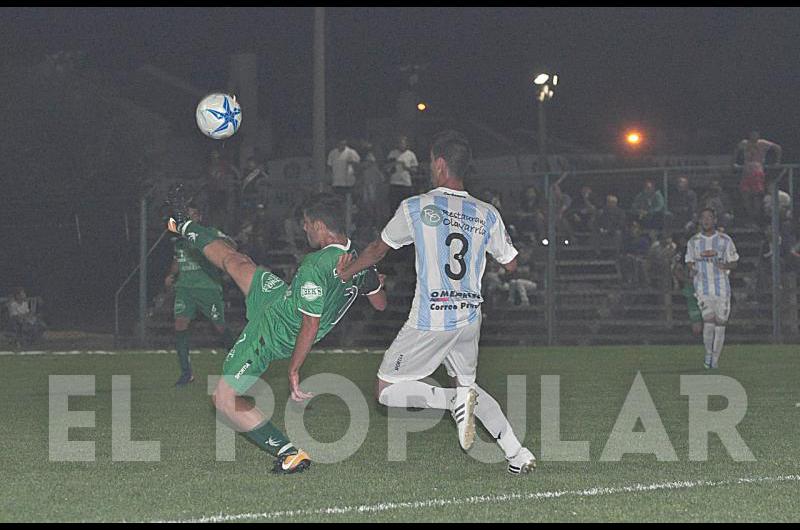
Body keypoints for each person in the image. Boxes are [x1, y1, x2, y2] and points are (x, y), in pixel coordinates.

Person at [336, 129, 536, 476]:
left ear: (440, 164)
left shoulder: (416, 206)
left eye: (430, 162)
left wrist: (345, 274)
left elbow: (378, 249)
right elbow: (512, 263)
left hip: (431, 316)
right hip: (470, 317)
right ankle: (517, 453)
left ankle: (450, 401)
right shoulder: (486, 212)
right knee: (468, 386)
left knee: (386, 390)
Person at [167, 193, 387, 474]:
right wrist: (374, 282)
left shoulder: (314, 264)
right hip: (282, 300)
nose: (304, 229)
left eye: (306, 224)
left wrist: (294, 370)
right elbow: (381, 305)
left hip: (274, 331)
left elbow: (310, 325)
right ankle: (184, 226)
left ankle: (289, 452)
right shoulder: (357, 260)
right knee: (237, 261)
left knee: (223, 398)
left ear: (319, 225)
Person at [165, 204, 238, 388]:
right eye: (186, 214)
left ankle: (240, 363)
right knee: (180, 325)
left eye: (192, 214)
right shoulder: (180, 237)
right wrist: (172, 275)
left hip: (208, 288)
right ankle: (186, 373)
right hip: (185, 288)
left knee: (220, 327)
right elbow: (177, 258)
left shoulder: (208, 232)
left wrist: (219, 242)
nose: (188, 217)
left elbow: (232, 245)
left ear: (199, 216)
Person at [685, 208, 739, 369]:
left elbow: (734, 261)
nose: (706, 220)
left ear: (715, 220)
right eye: (704, 217)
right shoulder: (694, 241)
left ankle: (715, 359)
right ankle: (708, 353)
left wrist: (726, 265)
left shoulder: (725, 240)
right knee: (708, 321)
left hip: (722, 288)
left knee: (721, 324)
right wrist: (692, 269)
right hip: (703, 287)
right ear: (700, 220)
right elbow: (689, 260)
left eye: (709, 217)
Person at [734, 131, 782, 225]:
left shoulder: (762, 143)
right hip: (746, 171)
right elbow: (736, 150)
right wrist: (734, 162)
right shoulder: (744, 143)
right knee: (745, 195)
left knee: (757, 196)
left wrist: (777, 162)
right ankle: (750, 216)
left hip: (757, 171)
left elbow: (778, 148)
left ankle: (756, 218)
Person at [386, 136, 419, 212]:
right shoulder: (392, 153)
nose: (401, 145)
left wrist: (406, 167)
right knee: (394, 207)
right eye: (400, 143)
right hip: (394, 183)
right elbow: (387, 167)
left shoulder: (411, 154)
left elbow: (415, 170)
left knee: (406, 207)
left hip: (406, 184)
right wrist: (393, 164)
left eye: (403, 143)